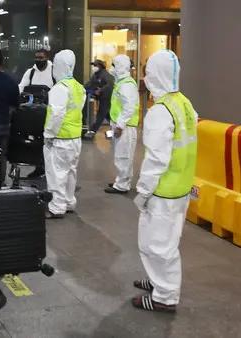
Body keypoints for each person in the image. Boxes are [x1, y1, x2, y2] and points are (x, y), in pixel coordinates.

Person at [132, 50, 198, 313]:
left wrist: (143, 191)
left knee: (156, 245)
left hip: (163, 191)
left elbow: (156, 159)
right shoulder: (183, 103)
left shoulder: (159, 112)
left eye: (148, 71)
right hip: (180, 188)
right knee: (166, 242)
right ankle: (159, 281)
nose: (146, 76)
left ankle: (165, 297)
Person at [43, 49, 86, 219]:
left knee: (56, 174)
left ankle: (56, 207)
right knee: (70, 173)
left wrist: (49, 134)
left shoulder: (59, 88)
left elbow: (56, 114)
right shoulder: (78, 87)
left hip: (60, 138)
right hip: (75, 138)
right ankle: (68, 202)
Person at [105, 55, 140, 194]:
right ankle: (121, 180)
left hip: (125, 127)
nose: (111, 68)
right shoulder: (121, 82)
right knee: (121, 155)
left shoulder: (126, 85)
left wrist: (119, 126)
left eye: (114, 65)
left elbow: (128, 108)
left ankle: (122, 185)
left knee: (123, 157)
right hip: (120, 125)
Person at [19, 49, 54, 178]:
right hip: (33, 114)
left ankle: (49, 169)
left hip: (50, 113)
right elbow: (21, 87)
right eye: (37, 58)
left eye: (41, 58)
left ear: (47, 58)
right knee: (36, 142)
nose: (39, 60)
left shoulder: (53, 71)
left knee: (49, 142)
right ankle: (39, 167)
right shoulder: (31, 72)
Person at [83, 59, 114, 139]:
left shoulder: (105, 74)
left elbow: (110, 85)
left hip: (107, 97)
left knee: (100, 114)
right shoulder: (95, 75)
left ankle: (92, 132)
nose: (94, 67)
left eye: (95, 65)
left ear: (100, 66)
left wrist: (100, 90)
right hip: (101, 97)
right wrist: (82, 88)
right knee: (107, 114)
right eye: (93, 65)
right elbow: (90, 84)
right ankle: (117, 126)